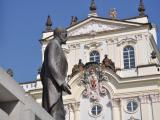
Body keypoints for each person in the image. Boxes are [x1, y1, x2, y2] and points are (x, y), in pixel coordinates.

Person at [40, 27, 71, 120]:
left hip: (55, 86)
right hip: (53, 86)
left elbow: (43, 69)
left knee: (59, 113)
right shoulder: (53, 44)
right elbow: (51, 63)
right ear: (60, 34)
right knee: (55, 112)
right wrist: (61, 82)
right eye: (65, 34)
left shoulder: (56, 45)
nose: (67, 37)